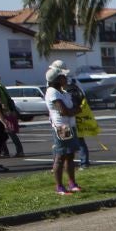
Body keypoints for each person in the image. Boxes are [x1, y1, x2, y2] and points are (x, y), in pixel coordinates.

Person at [44, 64, 81, 194]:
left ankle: (72, 183)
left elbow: (75, 108)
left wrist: (74, 110)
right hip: (62, 127)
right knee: (61, 156)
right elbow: (65, 111)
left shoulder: (63, 92)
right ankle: (59, 186)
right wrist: (73, 110)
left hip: (70, 126)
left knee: (70, 155)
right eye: (63, 76)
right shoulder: (52, 92)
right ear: (57, 79)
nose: (66, 78)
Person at [0, 74, 24, 158]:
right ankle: (16, 150)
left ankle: (9, 152)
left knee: (5, 133)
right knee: (8, 133)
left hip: (2, 113)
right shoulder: (1, 87)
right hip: (7, 112)